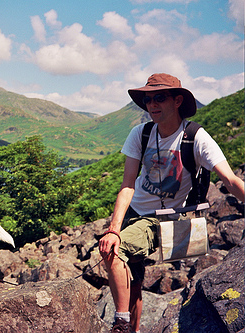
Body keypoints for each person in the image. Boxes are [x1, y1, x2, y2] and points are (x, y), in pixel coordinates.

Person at [98, 73, 245, 333]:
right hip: (134, 210)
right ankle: (133, 329)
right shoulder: (140, 133)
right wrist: (113, 228)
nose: (152, 104)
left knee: (114, 251)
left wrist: (114, 238)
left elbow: (230, 180)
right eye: (147, 99)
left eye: (159, 98)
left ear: (178, 101)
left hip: (163, 216)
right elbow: (128, 185)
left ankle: (120, 324)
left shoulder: (195, 137)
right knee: (134, 277)